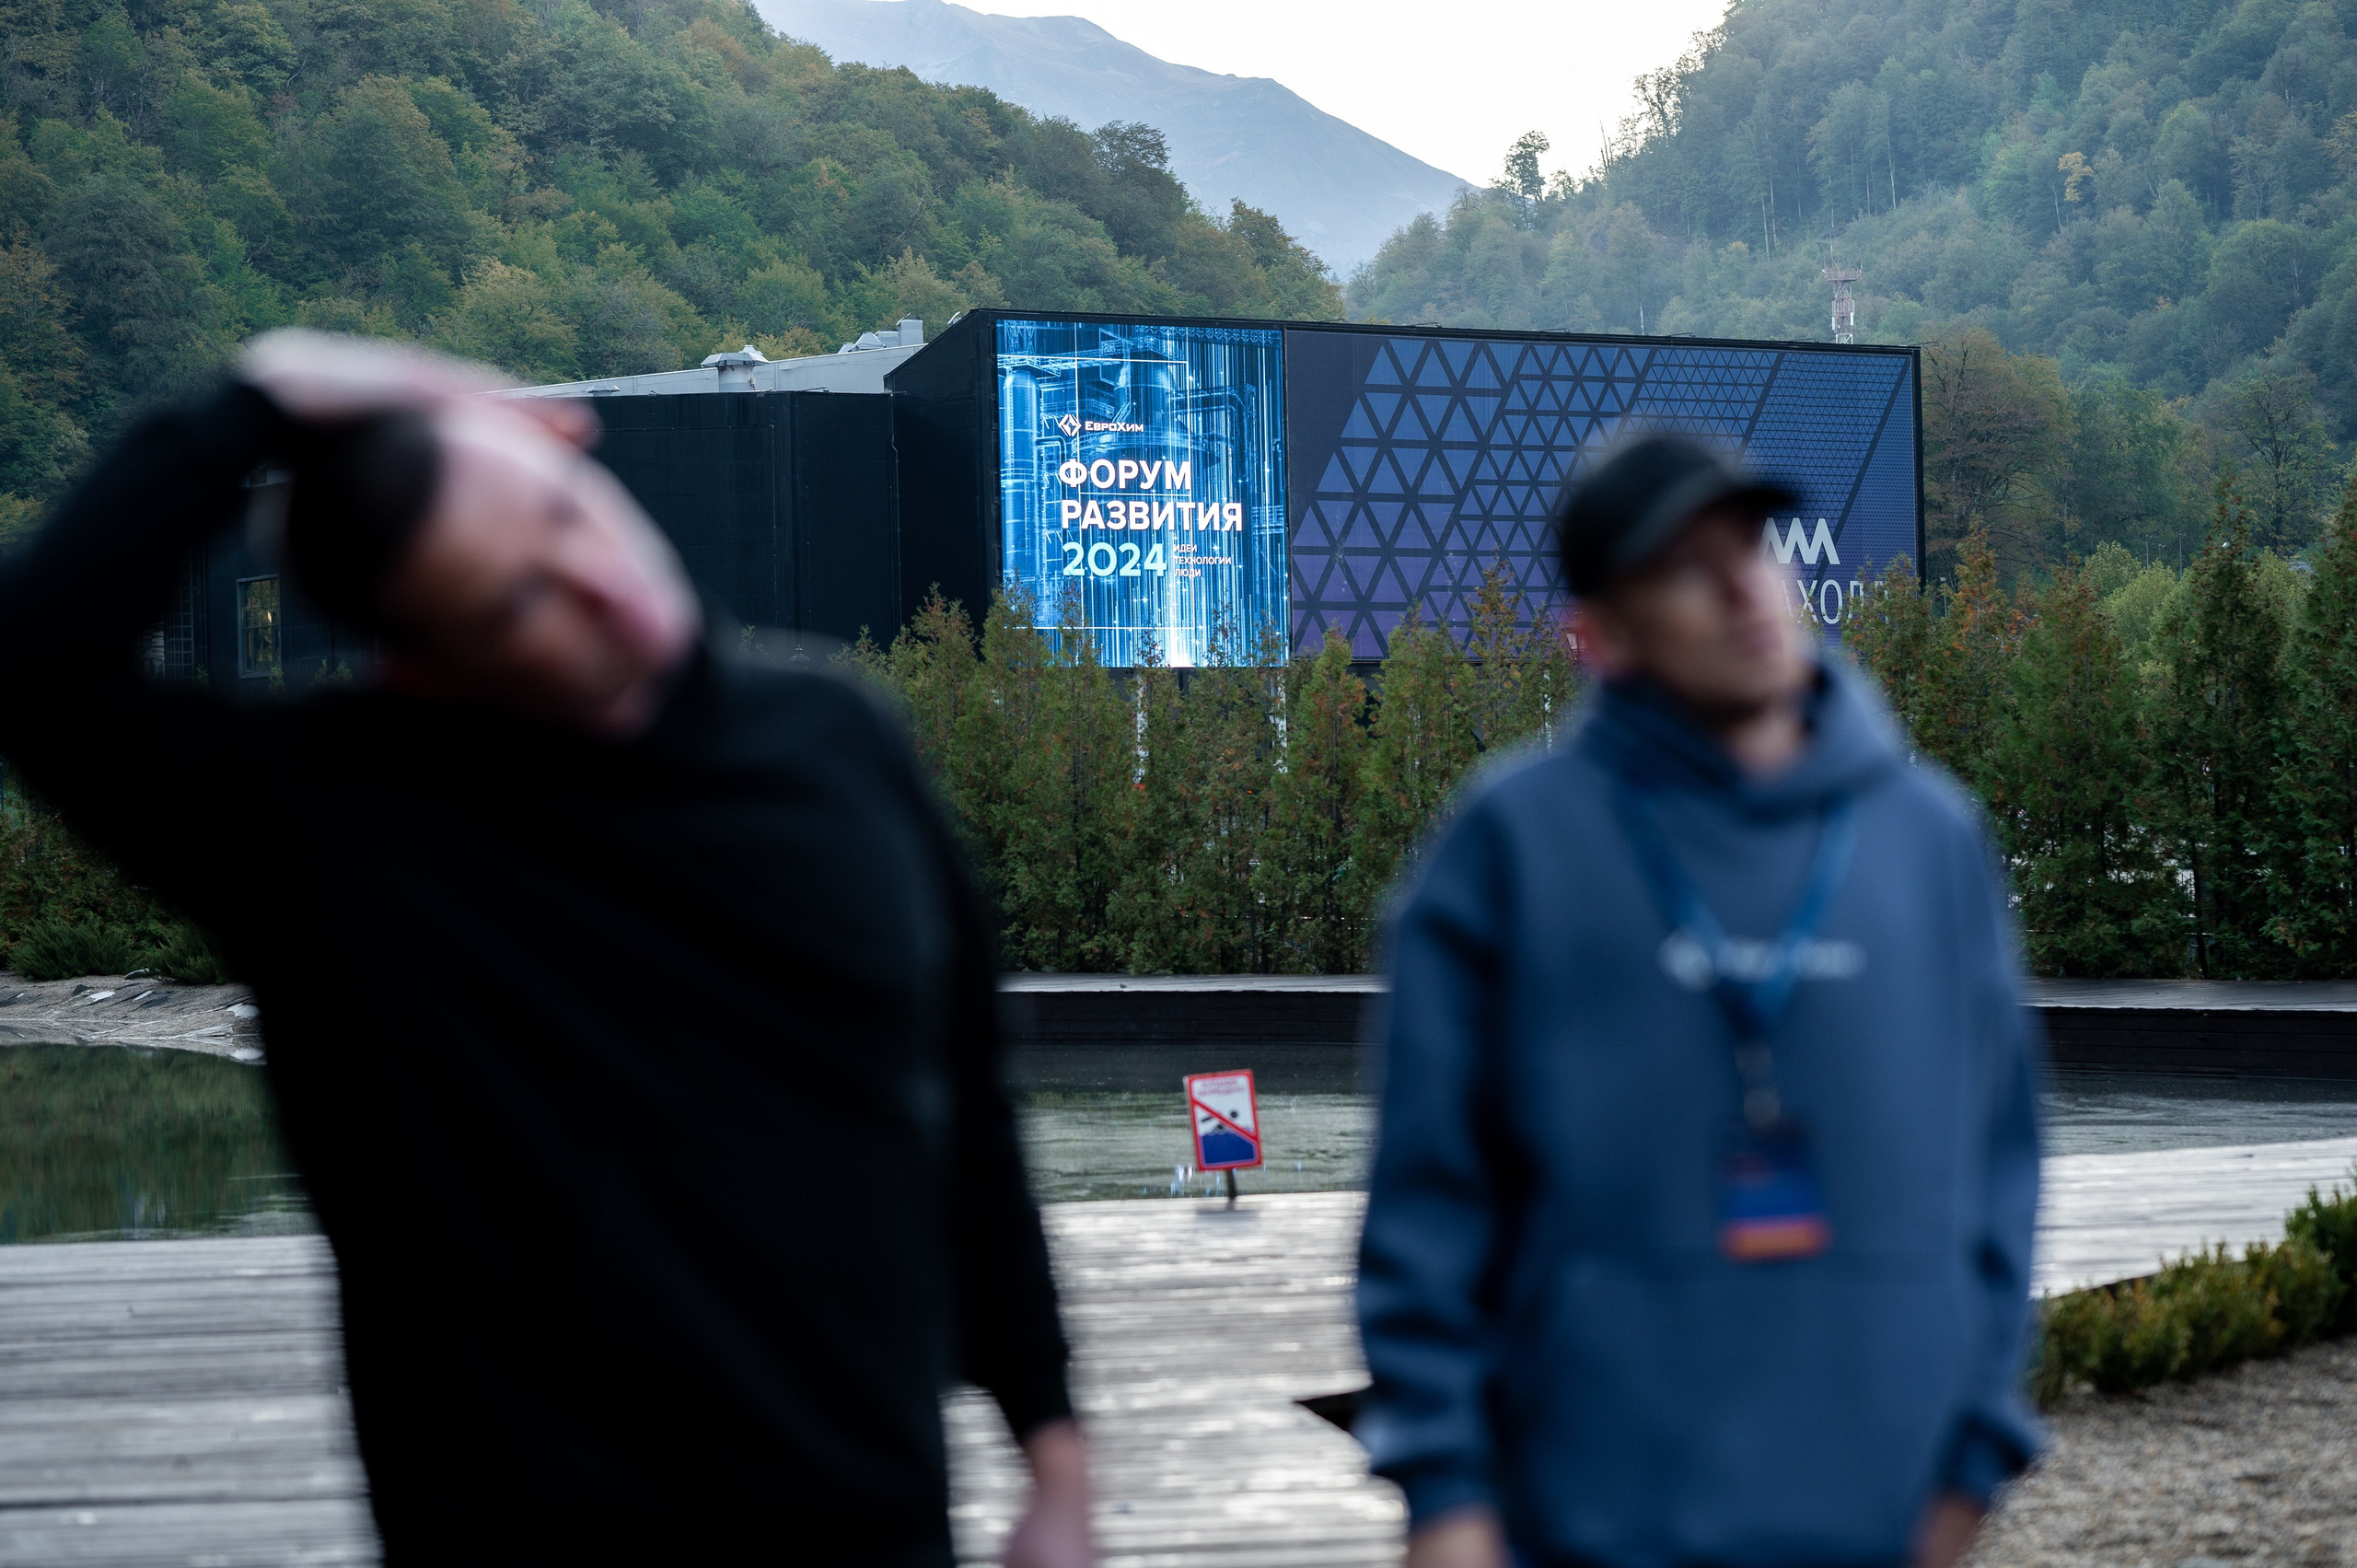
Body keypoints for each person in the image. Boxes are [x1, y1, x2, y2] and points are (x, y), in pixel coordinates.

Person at [0, 332, 1091, 1568]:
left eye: (566, 515)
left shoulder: (838, 735)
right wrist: (262, 393)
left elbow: (972, 1116)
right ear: (420, 660)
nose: (604, 589)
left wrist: (1055, 1456)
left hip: (872, 1521)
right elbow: (35, 666)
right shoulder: (327, 822)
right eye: (516, 599)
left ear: (566, 443)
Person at [1354, 435, 2043, 1568]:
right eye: (1685, 567)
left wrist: (1973, 1467)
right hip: (1586, 1524)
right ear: (1599, 634)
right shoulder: (1506, 848)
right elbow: (1427, 1210)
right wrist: (1446, 1493)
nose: (1744, 589)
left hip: (1883, 1523)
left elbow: (2001, 1179)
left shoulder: (1932, 839)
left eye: (1752, 548)